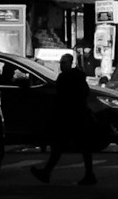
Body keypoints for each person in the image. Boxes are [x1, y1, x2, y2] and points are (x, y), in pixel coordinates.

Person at [36, 43, 97, 185]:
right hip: (74, 115)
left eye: (64, 63)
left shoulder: (66, 78)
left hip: (72, 116)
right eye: (61, 63)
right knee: (67, 147)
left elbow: (62, 97)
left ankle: (48, 172)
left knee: (69, 146)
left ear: (70, 63)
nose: (61, 65)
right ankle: (48, 172)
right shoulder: (74, 77)